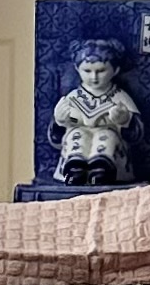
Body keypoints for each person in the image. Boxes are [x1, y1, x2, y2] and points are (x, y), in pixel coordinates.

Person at [49, 42, 141, 187]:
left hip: (110, 148)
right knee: (77, 135)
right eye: (87, 70)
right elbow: (56, 138)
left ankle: (101, 171)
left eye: (101, 70)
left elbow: (136, 134)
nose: (94, 77)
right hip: (77, 141)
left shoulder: (120, 97)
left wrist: (125, 120)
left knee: (106, 136)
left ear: (115, 70)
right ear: (77, 68)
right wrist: (60, 121)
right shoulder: (73, 97)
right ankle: (74, 171)